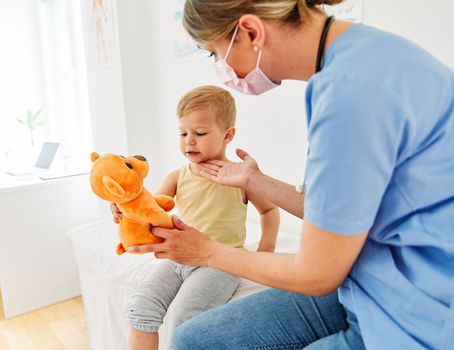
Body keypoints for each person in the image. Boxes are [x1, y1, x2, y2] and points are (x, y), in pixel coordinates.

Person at [125, 0, 454, 349]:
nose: (220, 67)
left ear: (250, 31)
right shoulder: (361, 56)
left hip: (415, 309)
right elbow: (338, 210)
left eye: (214, 54)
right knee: (193, 338)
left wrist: (208, 252)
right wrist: (253, 179)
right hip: (365, 278)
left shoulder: (349, 95)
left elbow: (317, 274)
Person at [116, 85, 280, 350]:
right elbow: (150, 211)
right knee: (141, 307)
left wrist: (266, 249)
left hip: (220, 264)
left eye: (200, 133)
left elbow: (270, 210)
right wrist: (125, 208)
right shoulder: (177, 177)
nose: (189, 140)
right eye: (182, 133)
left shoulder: (241, 177)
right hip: (179, 259)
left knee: (183, 319)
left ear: (228, 135)